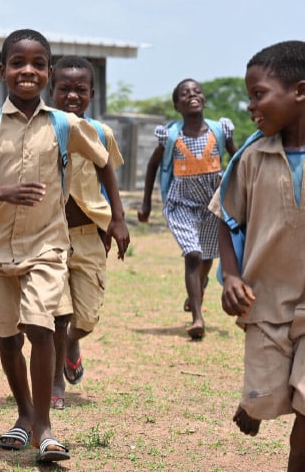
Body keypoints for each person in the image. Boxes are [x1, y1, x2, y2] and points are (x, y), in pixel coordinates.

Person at [0, 29, 129, 464]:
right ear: (3, 70)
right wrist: (2, 192)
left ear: (47, 72)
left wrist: (117, 216)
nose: (28, 71)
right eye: (18, 63)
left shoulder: (66, 125)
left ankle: (45, 427)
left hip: (47, 246)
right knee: (8, 339)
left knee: (42, 329)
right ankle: (24, 414)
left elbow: (104, 162)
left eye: (37, 64)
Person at [217, 40, 305, 472]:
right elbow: (224, 216)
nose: (251, 106)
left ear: (300, 92)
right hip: (266, 305)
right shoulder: (251, 157)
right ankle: (255, 402)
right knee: (267, 394)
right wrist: (231, 276)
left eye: (259, 94)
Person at [48, 56, 128, 409]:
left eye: (80, 90)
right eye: (64, 89)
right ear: (52, 90)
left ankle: (71, 343)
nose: (71, 96)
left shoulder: (100, 133)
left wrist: (118, 219)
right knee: (54, 313)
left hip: (88, 233)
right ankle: (54, 387)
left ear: (92, 94)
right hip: (48, 236)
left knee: (86, 317)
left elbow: (108, 173)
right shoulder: (40, 130)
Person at [138, 78, 237, 339]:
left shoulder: (220, 131)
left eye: (197, 91)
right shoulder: (171, 135)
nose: (192, 95)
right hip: (181, 204)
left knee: (206, 257)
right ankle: (197, 318)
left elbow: (238, 163)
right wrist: (146, 202)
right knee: (192, 254)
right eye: (185, 93)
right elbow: (152, 166)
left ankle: (200, 285)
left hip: (212, 204)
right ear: (176, 105)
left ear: (203, 99)